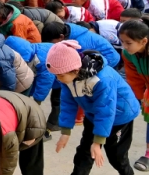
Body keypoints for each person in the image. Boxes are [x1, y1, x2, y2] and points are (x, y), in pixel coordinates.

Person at [49, 40, 139, 175]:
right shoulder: (66, 76)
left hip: (119, 115)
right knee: (84, 151)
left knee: (116, 156)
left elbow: (106, 109)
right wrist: (65, 131)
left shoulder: (103, 79)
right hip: (93, 113)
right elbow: (68, 103)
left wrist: (98, 142)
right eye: (56, 76)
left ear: (75, 69)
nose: (58, 79)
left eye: (60, 76)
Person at [119, 18, 149, 171]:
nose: (124, 46)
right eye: (122, 41)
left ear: (144, 41)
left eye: (128, 42)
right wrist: (133, 103)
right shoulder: (128, 54)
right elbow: (134, 80)